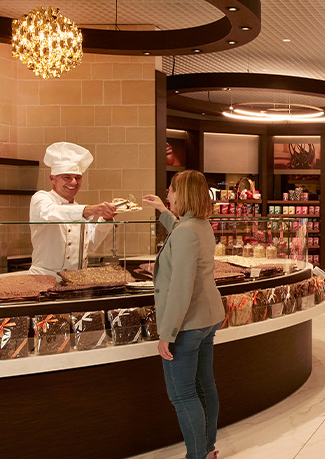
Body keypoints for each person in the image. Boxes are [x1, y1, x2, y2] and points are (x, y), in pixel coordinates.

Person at [143, 170, 225, 459]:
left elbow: (180, 287)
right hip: (208, 317)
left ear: (184, 194)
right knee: (205, 386)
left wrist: (167, 333)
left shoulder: (186, 232)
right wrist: (162, 210)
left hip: (188, 324)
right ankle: (208, 448)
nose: (168, 195)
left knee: (183, 395)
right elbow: (181, 228)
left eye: (171, 191)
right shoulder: (200, 225)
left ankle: (196, 456)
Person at [28, 142, 116, 278]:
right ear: (52, 179)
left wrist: (106, 218)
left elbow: (90, 245)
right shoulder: (41, 198)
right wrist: (89, 210)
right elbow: (52, 213)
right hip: (43, 279)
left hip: (77, 280)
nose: (74, 182)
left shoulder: (78, 208)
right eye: (67, 177)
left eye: (78, 178)